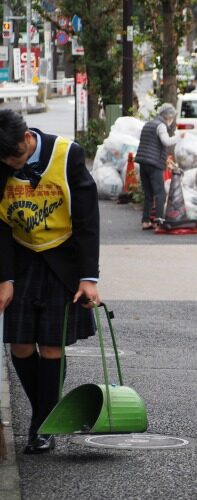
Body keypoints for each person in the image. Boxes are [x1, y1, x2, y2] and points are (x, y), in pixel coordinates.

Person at [0, 109, 101, 454]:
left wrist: (89, 278)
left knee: (52, 346)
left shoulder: (67, 154)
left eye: (15, 158)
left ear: (27, 138)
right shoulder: (3, 160)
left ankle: (41, 426)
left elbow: (87, 219)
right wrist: (5, 278)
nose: (12, 166)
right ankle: (45, 415)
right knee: (20, 346)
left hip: (63, 263)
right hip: (22, 259)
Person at [134, 103, 182, 230]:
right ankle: (159, 222)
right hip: (154, 164)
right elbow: (166, 141)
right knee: (160, 193)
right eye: (172, 117)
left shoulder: (148, 124)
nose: (172, 121)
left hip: (142, 162)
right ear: (168, 116)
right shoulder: (161, 126)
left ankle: (145, 221)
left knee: (148, 194)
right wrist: (179, 137)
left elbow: (150, 145)